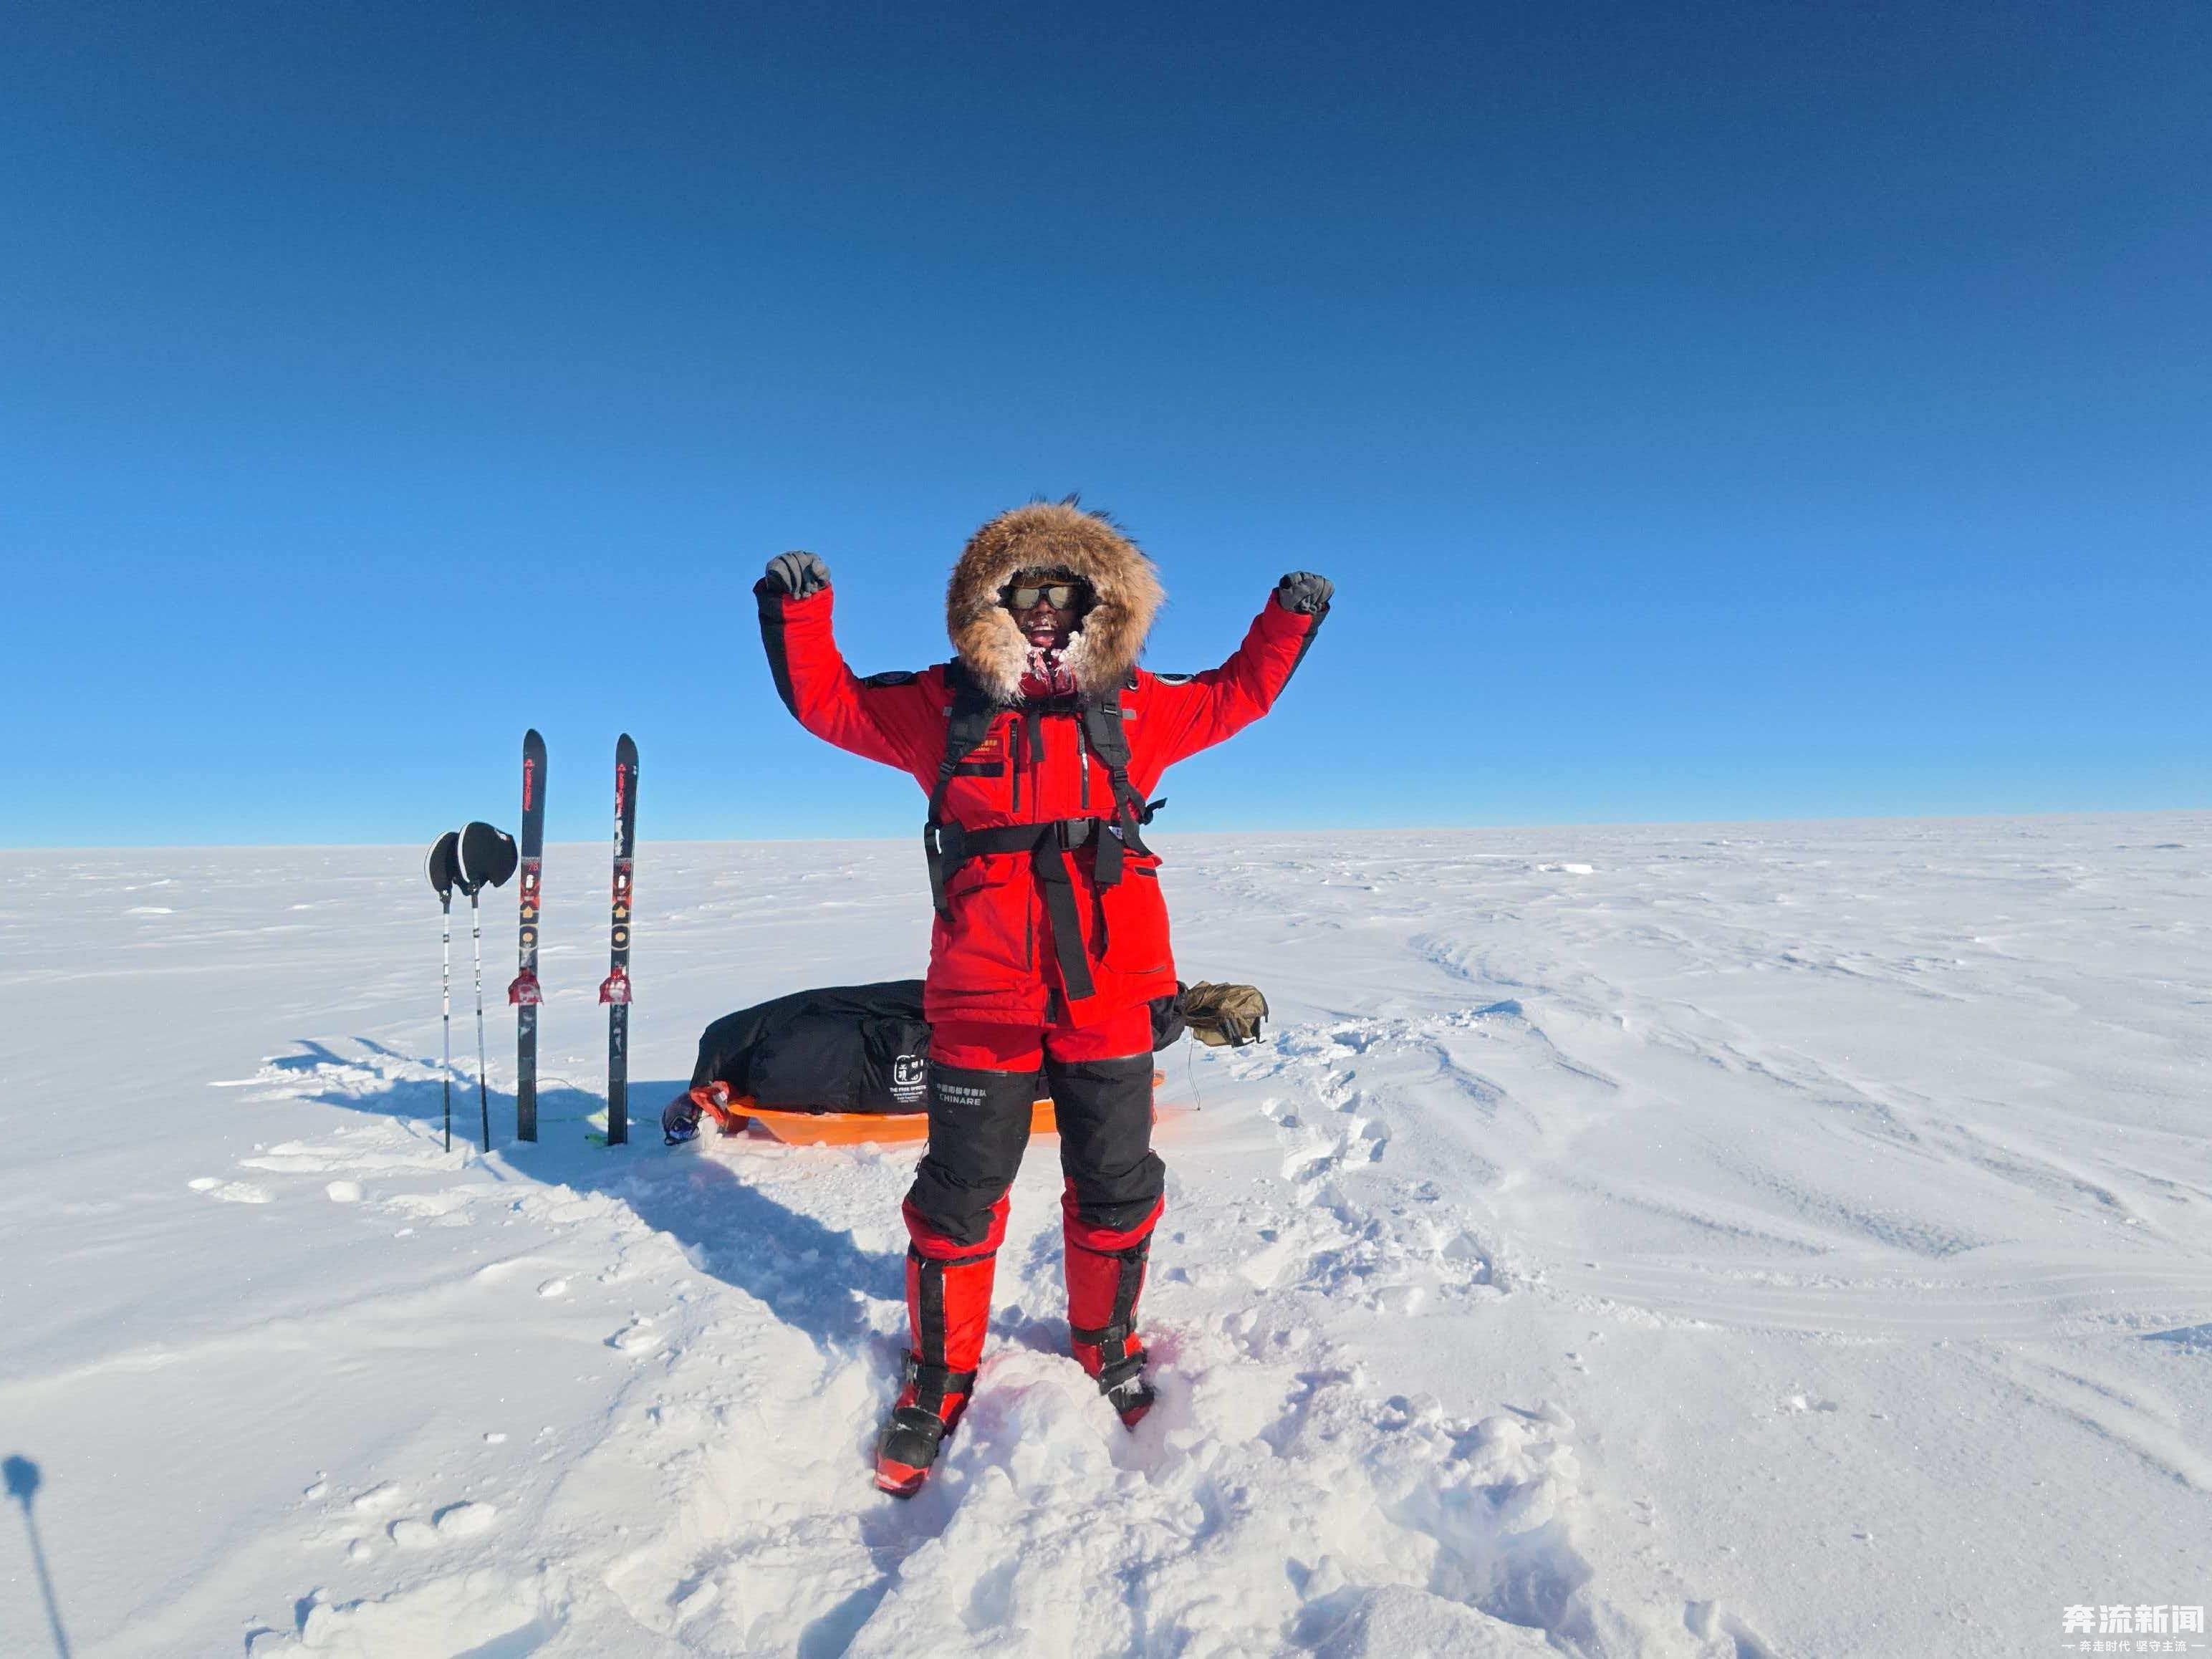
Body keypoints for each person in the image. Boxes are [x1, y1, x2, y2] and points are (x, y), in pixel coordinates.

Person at [754, 499, 1331, 1496]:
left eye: (1067, 593)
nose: (1048, 613)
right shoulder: (942, 706)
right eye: (1028, 593)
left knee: (1117, 1182)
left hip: (1110, 992)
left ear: (1102, 606)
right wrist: (800, 615)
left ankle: (1107, 1343)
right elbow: (831, 705)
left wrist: (1287, 622)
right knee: (958, 1193)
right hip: (984, 997)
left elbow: (1238, 695)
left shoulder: (1138, 708)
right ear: (993, 604)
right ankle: (940, 1374)